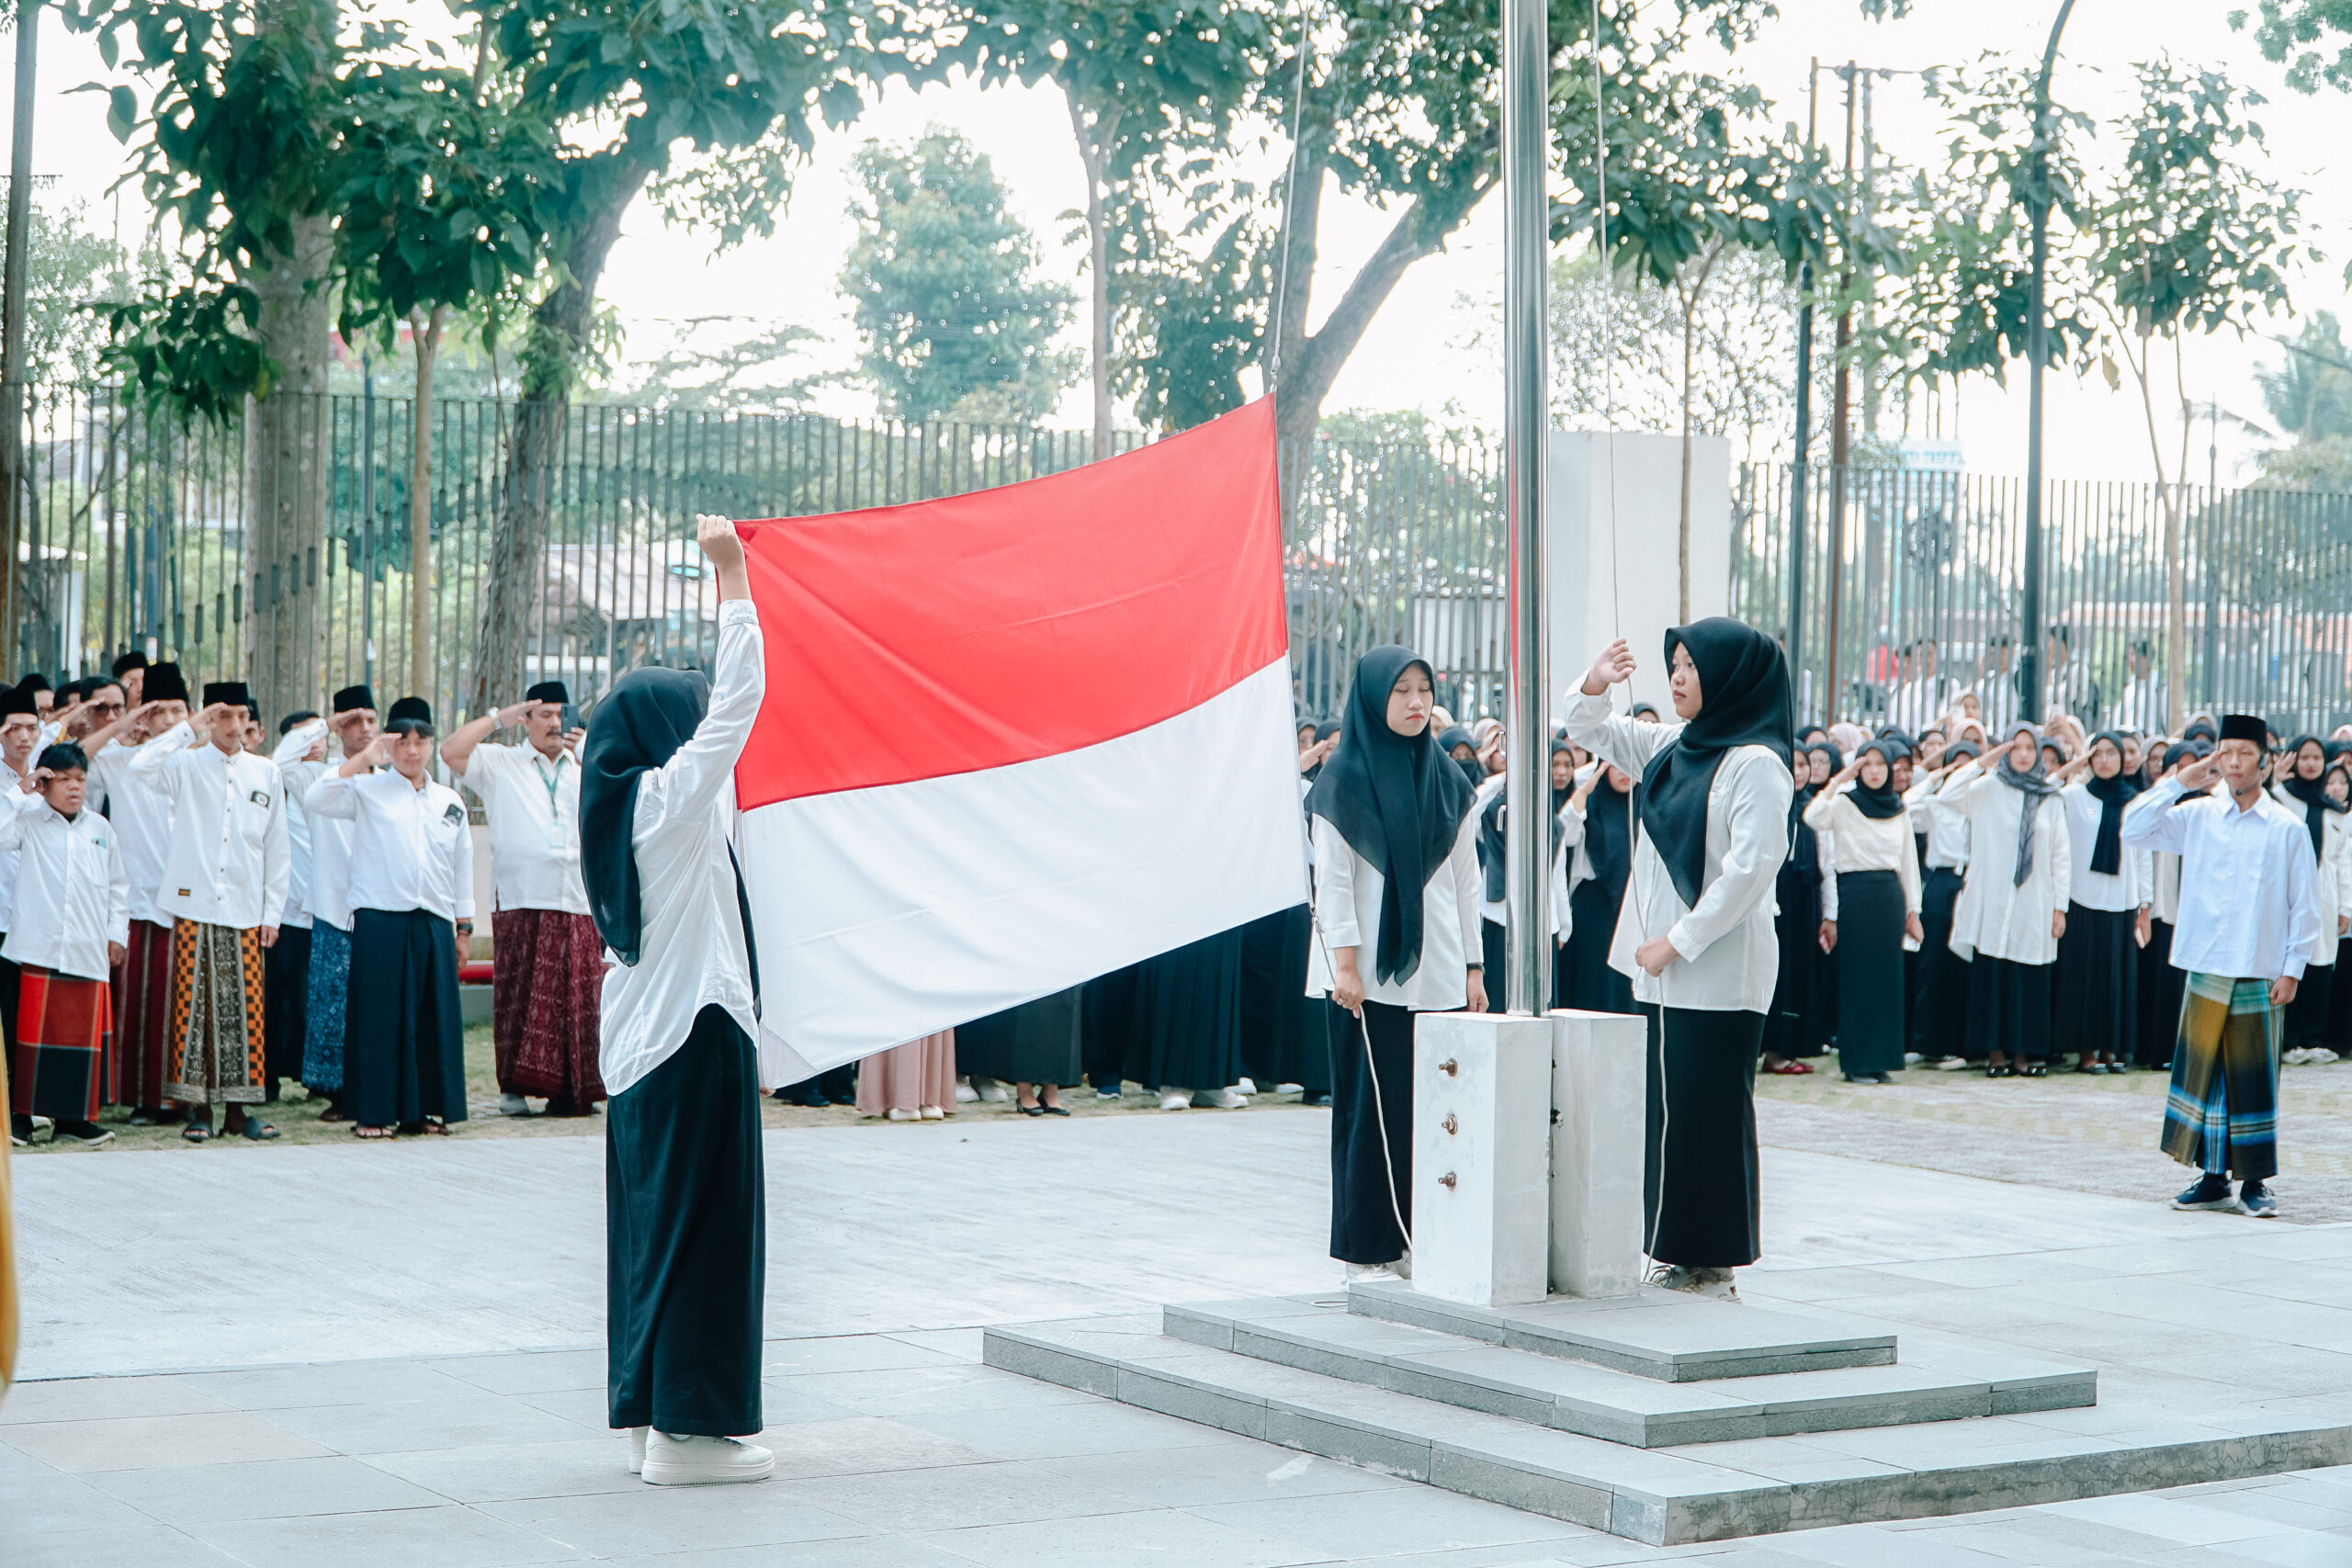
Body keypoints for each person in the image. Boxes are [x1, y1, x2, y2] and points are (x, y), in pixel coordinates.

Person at [581, 513, 772, 1486]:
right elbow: (742, 699)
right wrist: (732, 577)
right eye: (684, 718)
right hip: (697, 1043)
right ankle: (692, 1434)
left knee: (652, 1233)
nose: (704, 729)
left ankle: (649, 1415)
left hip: (644, 1056)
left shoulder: (618, 822)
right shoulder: (667, 802)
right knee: (707, 1239)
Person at [1565, 622, 1792, 1302]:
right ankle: (1673, 1249)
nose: (1679, 676)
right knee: (1665, 1111)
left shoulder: (1757, 765)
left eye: (1694, 665)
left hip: (1720, 974)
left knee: (1708, 1112)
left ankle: (1713, 1262)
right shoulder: (1670, 746)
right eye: (1675, 664)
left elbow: (1750, 870)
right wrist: (1598, 677)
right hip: (1661, 968)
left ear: (1732, 677)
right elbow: (1589, 728)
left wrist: (1679, 939)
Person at [1306, 645, 1482, 1283]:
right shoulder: (1342, 782)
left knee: (1425, 1109)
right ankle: (1366, 1247)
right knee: (1366, 1112)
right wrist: (1346, 966)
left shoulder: (1449, 781)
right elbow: (1334, 881)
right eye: (1401, 690)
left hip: (1434, 974)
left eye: (1424, 690)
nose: (1415, 702)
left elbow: (1467, 882)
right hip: (1364, 979)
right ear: (1373, 698)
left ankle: (1414, 1235)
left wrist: (1474, 968)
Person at [2123, 715, 2321, 1219]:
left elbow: (2305, 905)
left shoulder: (2287, 828)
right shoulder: (2197, 816)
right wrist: (2178, 781)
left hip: (2259, 965)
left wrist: (2293, 968)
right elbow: (2135, 828)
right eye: (2226, 752)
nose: (2233, 763)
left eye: (2244, 754)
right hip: (2207, 962)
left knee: (2253, 1076)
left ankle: (2255, 1181)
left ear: (2266, 761)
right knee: (2205, 1072)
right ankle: (2211, 1178)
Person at [130, 681, 290, 1143]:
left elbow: (276, 849)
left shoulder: (265, 772)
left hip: (245, 909)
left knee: (245, 1012)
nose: (234, 726)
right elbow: (142, 766)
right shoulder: (183, 763)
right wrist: (187, 729)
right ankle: (198, 1109)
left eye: (241, 716)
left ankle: (240, 1112)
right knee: (191, 1008)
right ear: (209, 717)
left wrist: (272, 913)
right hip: (193, 903)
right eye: (224, 716)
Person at [308, 697, 473, 1138]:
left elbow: (461, 866)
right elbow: (315, 796)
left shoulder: (448, 800)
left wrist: (464, 926)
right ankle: (374, 1112)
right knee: (378, 1018)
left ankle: (426, 1112)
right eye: (403, 743)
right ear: (391, 745)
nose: (412, 752)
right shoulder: (367, 789)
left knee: (430, 1018)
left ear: (431, 744)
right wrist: (365, 757)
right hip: (380, 920)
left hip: (434, 921)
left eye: (420, 742)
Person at [443, 682, 604, 1118]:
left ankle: (573, 1090)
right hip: (520, 898)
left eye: (561, 714)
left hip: (577, 899)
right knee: (518, 993)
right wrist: (499, 718)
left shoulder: (585, 764)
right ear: (526, 720)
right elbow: (451, 751)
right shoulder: (502, 762)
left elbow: (622, 784)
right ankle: (513, 1088)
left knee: (578, 997)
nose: (554, 724)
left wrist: (587, 747)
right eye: (544, 714)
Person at [1930, 722, 2071, 1077]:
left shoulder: (2050, 796)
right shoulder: (1988, 788)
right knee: (1994, 975)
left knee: (2028, 976)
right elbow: (1946, 796)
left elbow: (2060, 854)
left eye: (2029, 748)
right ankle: (1995, 1053)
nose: (2022, 754)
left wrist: (2060, 907)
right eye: (2015, 747)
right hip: (1994, 899)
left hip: (2034, 901)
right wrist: (1982, 762)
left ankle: (2024, 1053)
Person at [3, 745, 123, 1148]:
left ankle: (74, 1119)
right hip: (39, 946)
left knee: (78, 1041)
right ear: (46, 781)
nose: (74, 787)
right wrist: (22, 793)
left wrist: (116, 934)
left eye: (81, 779)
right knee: (31, 1040)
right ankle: (22, 1118)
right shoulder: (28, 822)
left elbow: (119, 886)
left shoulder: (100, 828)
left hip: (88, 947)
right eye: (65, 779)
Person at [84, 664, 186, 1121]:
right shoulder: (121, 760)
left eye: (178, 711)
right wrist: (123, 725)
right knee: (140, 1006)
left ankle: (188, 1098)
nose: (168, 720)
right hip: (140, 898)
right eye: (158, 711)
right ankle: (143, 1099)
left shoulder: (201, 760)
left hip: (193, 901)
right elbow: (73, 756)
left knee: (186, 1005)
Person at [1807, 739, 1924, 1084]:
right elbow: (1812, 816)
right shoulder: (1843, 803)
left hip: (1889, 896)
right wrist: (1840, 778)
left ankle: (1882, 1060)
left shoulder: (1899, 808)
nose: (1874, 771)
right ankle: (1857, 1062)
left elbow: (1909, 863)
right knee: (1858, 978)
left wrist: (1913, 910)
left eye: (1880, 765)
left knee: (1888, 981)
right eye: (1866, 764)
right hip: (1855, 895)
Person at [2051, 732, 2152, 1073]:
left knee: (2114, 979)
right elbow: (2045, 793)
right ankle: (2086, 1053)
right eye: (2100, 754)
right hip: (2082, 898)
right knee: (2084, 979)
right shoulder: (2075, 797)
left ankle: (2111, 1049)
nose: (2106, 760)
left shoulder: (2135, 801)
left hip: (2121, 901)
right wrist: (2072, 766)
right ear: (2091, 759)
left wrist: (2145, 906)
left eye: (2113, 753)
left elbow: (2143, 855)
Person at [300, 686, 377, 1121]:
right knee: (332, 1003)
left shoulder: (393, 775)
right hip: (334, 904)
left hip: (383, 908)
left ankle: (376, 1084)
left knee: (374, 1001)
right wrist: (324, 726)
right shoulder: (319, 775)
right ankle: (335, 1093)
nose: (364, 730)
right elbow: (283, 757)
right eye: (353, 722)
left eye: (370, 720)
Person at [2271, 735, 2352, 1066]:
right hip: (2285, 893)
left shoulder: (2335, 811)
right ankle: (2288, 1041)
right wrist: (2275, 779)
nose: (2310, 764)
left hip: (2325, 894)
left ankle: (2313, 1039)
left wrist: (2346, 906)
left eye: (2316, 758)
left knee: (2320, 963)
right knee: (2290, 962)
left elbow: (2343, 861)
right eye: (2304, 757)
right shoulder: (2280, 799)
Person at [264, 714, 326, 1102]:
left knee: (312, 1003)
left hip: (323, 911)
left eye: (320, 735)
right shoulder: (277, 777)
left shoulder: (334, 778)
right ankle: (267, 1078)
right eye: (305, 737)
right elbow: (280, 763)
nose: (315, 743)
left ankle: (315, 1078)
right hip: (281, 912)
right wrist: (315, 729)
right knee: (275, 1002)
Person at [1907, 738, 1979, 1067]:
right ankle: (1930, 1044)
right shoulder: (1936, 804)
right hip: (1942, 882)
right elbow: (1905, 806)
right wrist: (1935, 777)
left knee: (1965, 965)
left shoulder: (1986, 803)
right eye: (1957, 766)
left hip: (1974, 882)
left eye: (1971, 767)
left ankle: (1963, 1043)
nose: (1964, 774)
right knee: (1934, 962)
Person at [1762, 743, 1826, 1074]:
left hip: (1805, 899)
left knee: (1797, 972)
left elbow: (1825, 864)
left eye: (1804, 765)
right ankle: (1773, 1050)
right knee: (1775, 971)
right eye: (1793, 765)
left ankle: (1789, 1046)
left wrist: (1829, 914)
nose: (1800, 771)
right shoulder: (1771, 804)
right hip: (1775, 896)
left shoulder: (1813, 807)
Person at [1558, 756, 1637, 1015]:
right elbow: (1565, 832)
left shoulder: (1644, 805)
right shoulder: (1591, 803)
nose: (1625, 772)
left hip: (1631, 904)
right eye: (1616, 765)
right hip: (1593, 907)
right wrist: (1586, 788)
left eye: (1630, 764)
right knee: (1593, 987)